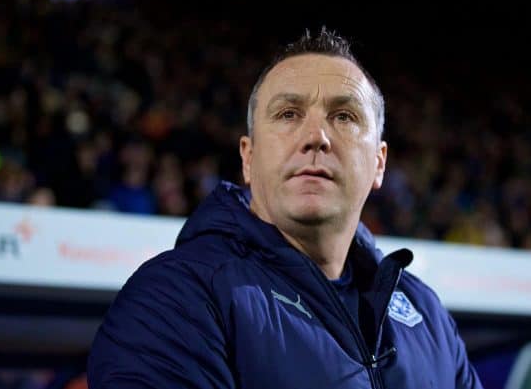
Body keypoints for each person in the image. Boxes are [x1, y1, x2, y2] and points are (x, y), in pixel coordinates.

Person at [87, 27, 483, 389]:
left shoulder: (427, 315)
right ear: (248, 157)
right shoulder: (175, 297)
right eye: (288, 114)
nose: (316, 136)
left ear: (379, 163)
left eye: (344, 116)